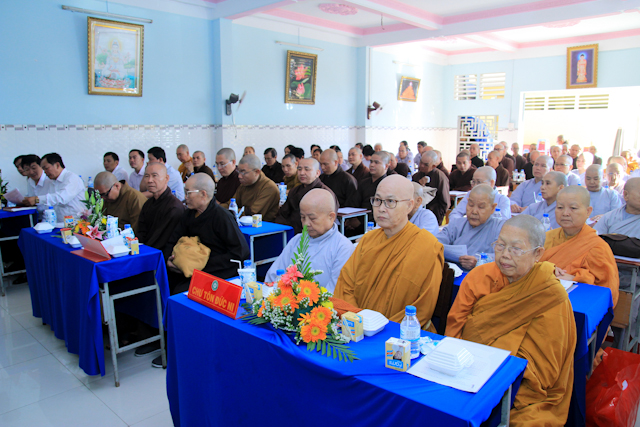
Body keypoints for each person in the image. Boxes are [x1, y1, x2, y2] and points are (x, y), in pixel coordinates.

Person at [446, 215, 576, 426]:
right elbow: (455, 329)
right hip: (468, 371)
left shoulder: (549, 293)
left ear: (537, 253)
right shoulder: (479, 277)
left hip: (524, 387)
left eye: (516, 249)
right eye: (500, 245)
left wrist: (505, 375)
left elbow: (549, 366)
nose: (505, 255)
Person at [334, 175, 444, 330]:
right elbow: (345, 286)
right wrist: (358, 320)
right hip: (357, 328)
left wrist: (381, 329)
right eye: (377, 200)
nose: (381, 208)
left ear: (409, 205)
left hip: (400, 335)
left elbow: (423, 308)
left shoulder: (427, 246)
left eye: (390, 202)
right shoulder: (367, 240)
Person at [164, 173, 249, 292]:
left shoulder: (222, 217)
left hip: (218, 270)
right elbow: (173, 239)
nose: (185, 197)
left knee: (181, 290)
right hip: (190, 266)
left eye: (188, 193)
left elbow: (240, 251)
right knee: (167, 280)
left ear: (203, 194)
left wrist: (201, 264)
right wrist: (169, 259)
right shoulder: (188, 214)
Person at [541, 186, 619, 306]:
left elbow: (607, 291)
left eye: (573, 208)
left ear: (588, 211)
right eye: (560, 207)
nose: (565, 213)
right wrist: (547, 269)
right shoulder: (546, 237)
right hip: (540, 298)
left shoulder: (598, 247)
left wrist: (576, 278)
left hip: (576, 306)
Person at [265, 189, 354, 292]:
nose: (306, 224)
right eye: (303, 217)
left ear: (331, 217)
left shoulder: (343, 248)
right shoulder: (296, 241)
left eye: (312, 218)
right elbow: (273, 276)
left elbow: (335, 292)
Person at [436, 185, 504, 271]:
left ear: (492, 208)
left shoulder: (500, 228)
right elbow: (436, 243)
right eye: (471, 205)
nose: (474, 211)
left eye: (481, 207)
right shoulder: (456, 224)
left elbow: (504, 255)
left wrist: (479, 261)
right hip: (453, 273)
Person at [276, 158, 337, 234]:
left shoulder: (325, 193)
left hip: (314, 234)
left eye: (307, 169)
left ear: (317, 173)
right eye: (299, 169)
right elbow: (283, 214)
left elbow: (328, 222)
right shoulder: (294, 191)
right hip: (291, 232)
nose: (302, 173)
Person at [137, 163, 185, 250]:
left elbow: (161, 241)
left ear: (166, 178)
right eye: (146, 176)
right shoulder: (148, 204)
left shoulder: (174, 207)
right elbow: (141, 232)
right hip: (144, 250)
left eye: (154, 176)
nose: (150, 180)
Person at [35, 153, 85, 219]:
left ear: (57, 165)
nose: (45, 172)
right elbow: (49, 202)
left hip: (75, 221)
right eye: (43, 170)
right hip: (57, 221)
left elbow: (62, 198)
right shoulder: (51, 181)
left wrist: (37, 200)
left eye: (46, 168)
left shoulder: (72, 178)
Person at [233, 154, 280, 221]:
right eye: (238, 171)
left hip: (263, 225)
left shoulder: (269, 187)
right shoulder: (244, 185)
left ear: (257, 172)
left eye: (243, 172)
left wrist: (229, 212)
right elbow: (232, 203)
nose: (239, 176)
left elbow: (252, 212)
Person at [348, 151, 389, 226]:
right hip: (357, 219)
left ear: (386, 166)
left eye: (376, 162)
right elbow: (354, 203)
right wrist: (352, 218)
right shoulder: (363, 182)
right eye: (371, 162)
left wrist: (361, 222)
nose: (372, 165)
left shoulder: (388, 185)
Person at [412, 151, 450, 225]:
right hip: (417, 214)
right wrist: (419, 185)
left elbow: (445, 201)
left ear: (433, 166)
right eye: (421, 162)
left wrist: (438, 217)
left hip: (435, 214)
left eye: (426, 164)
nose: (422, 166)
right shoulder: (416, 176)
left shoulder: (440, 177)